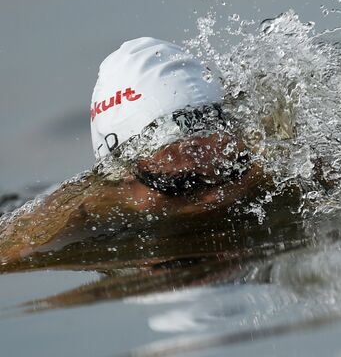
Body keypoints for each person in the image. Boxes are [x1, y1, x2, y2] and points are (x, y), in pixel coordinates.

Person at [0, 37, 297, 266]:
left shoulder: (285, 169)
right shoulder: (72, 217)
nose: (212, 197)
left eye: (228, 171)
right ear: (119, 177)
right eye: (182, 184)